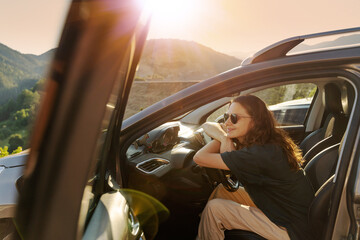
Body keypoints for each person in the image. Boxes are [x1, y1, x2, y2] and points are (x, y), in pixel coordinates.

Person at [193, 95, 315, 240]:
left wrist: (224, 137)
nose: (227, 122)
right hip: (287, 214)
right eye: (226, 116)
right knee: (224, 191)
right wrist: (225, 135)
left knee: (215, 209)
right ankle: (206, 230)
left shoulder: (258, 155)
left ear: (255, 121)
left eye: (234, 118)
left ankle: (207, 229)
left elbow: (199, 158)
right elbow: (207, 125)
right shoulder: (266, 142)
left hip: (291, 231)